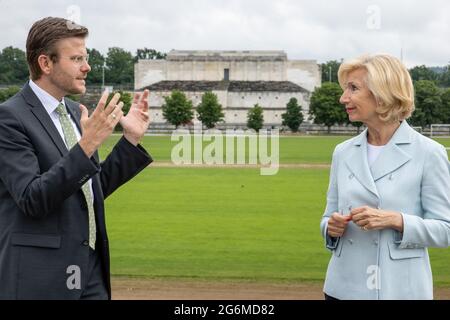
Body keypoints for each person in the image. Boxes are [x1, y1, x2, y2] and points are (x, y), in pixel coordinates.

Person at [0, 17, 153, 299]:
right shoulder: (9, 118)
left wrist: (130, 140)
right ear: (46, 64)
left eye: (86, 57)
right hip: (41, 278)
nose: (87, 66)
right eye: (77, 58)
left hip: (88, 270)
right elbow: (33, 199)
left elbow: (86, 191)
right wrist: (87, 145)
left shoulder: (73, 112)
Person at [320, 54, 450, 300]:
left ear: (381, 95)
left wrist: (395, 220)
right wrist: (331, 227)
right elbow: (328, 217)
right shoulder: (343, 152)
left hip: (399, 289)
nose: (343, 98)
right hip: (342, 288)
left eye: (353, 88)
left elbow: (445, 230)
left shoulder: (429, 153)